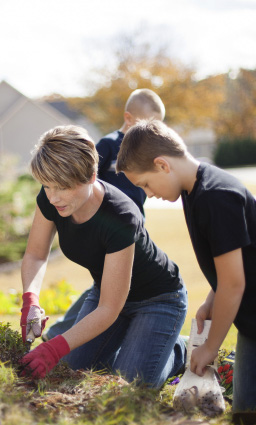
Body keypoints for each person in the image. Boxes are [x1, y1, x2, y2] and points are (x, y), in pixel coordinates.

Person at [116, 119, 256, 418]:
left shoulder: (216, 195)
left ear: (163, 165)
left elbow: (234, 283)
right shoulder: (193, 191)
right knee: (250, 417)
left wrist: (210, 347)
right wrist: (210, 302)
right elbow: (227, 269)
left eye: (145, 184)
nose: (149, 194)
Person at [18, 125, 188, 389]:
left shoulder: (120, 216)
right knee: (71, 370)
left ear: (91, 176)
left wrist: (52, 348)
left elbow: (110, 308)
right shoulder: (51, 198)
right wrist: (31, 299)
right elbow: (35, 254)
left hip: (158, 299)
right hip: (106, 295)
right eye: (47, 186)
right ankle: (139, 347)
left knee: (131, 385)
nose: (53, 197)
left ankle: (178, 350)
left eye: (62, 187)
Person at [44, 89, 166, 341]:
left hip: (130, 227)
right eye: (149, 124)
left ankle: (137, 331)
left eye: (158, 126)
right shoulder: (110, 144)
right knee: (102, 287)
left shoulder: (145, 153)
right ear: (129, 118)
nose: (154, 131)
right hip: (105, 228)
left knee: (121, 285)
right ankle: (60, 332)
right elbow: (85, 179)